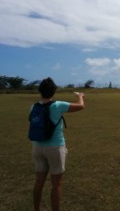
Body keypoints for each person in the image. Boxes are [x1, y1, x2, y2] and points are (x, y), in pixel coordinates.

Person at [31, 77, 85, 211]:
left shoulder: (33, 107)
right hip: (55, 148)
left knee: (39, 182)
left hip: (37, 147)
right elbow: (81, 106)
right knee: (56, 185)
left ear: (40, 91)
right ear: (53, 92)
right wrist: (80, 96)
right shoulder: (57, 105)